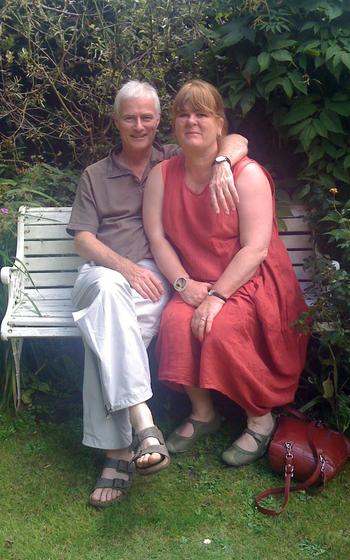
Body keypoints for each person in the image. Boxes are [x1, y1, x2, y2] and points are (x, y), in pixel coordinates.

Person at [67, 80, 248, 507]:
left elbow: (237, 138)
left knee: (105, 338)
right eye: (129, 117)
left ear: (157, 121)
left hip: (153, 280)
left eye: (147, 116)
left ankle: (118, 452)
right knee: (109, 299)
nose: (139, 124)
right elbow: (83, 240)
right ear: (116, 121)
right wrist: (124, 268)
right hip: (103, 273)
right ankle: (143, 421)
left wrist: (222, 160)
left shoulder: (173, 158)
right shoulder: (95, 175)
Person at [143, 80, 309, 467]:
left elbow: (256, 248)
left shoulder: (246, 174)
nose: (191, 121)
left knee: (220, 330)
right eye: (183, 113)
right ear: (174, 124)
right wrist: (183, 286)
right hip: (197, 282)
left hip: (251, 281)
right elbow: (156, 237)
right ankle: (204, 413)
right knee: (174, 322)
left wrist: (217, 297)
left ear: (220, 124)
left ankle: (260, 418)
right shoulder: (162, 175)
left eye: (201, 113)